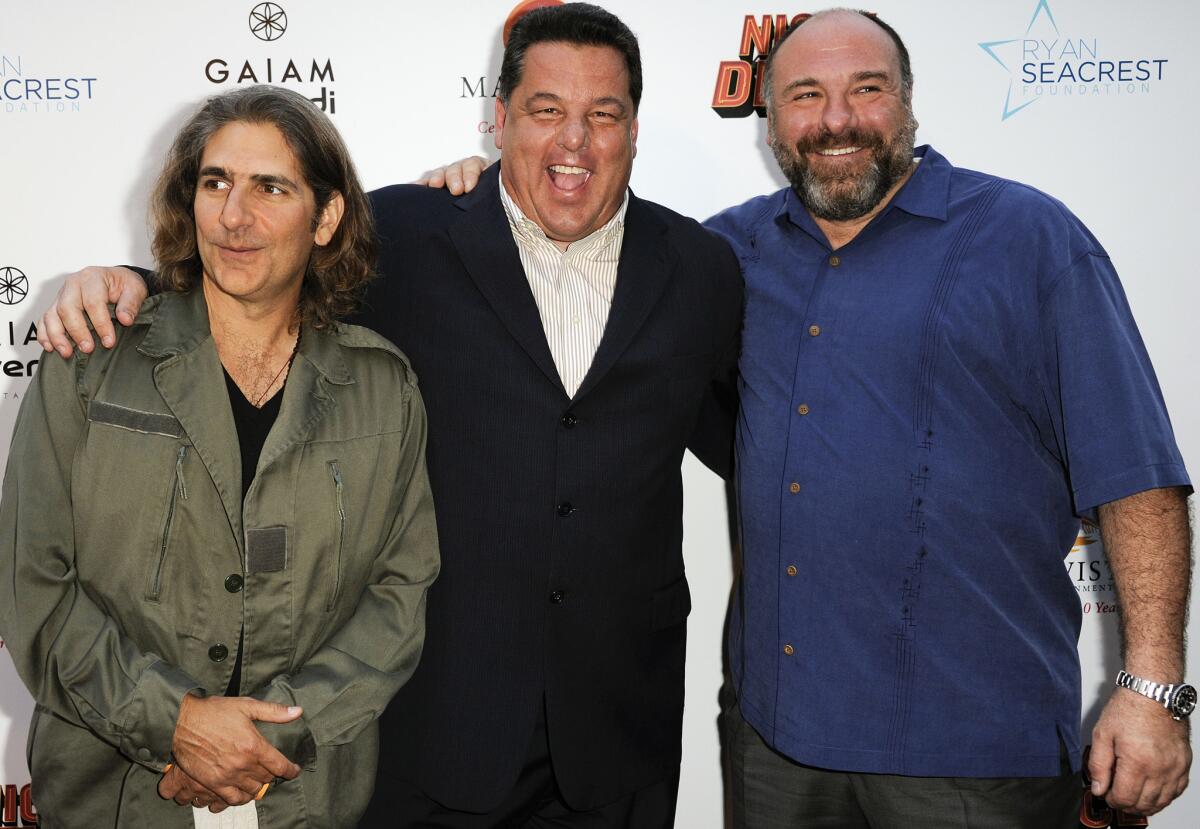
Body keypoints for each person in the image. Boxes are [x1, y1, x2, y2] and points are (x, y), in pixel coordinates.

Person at [396, 7, 1195, 827]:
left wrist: (1154, 684)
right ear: (769, 116)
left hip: (978, 750)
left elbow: (1136, 472)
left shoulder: (1030, 239)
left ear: (909, 103)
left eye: (867, 90)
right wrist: (476, 194)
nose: (837, 119)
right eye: (806, 95)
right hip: (779, 749)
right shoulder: (725, 257)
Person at [34, 4, 743, 826]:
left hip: (620, 734)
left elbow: (750, 438)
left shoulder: (701, 268)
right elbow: (259, 268)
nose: (573, 142)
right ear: (501, 118)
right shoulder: (406, 231)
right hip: (435, 729)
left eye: (602, 115)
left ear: (634, 127)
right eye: (546, 111)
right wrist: (132, 285)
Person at [0, 85, 440, 828]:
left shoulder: (383, 388)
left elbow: (399, 597)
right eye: (216, 183)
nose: (234, 216)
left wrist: (267, 739)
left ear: (326, 216)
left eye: (271, 187)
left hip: (305, 794)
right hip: (115, 795)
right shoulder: (89, 364)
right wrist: (176, 723)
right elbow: (33, 586)